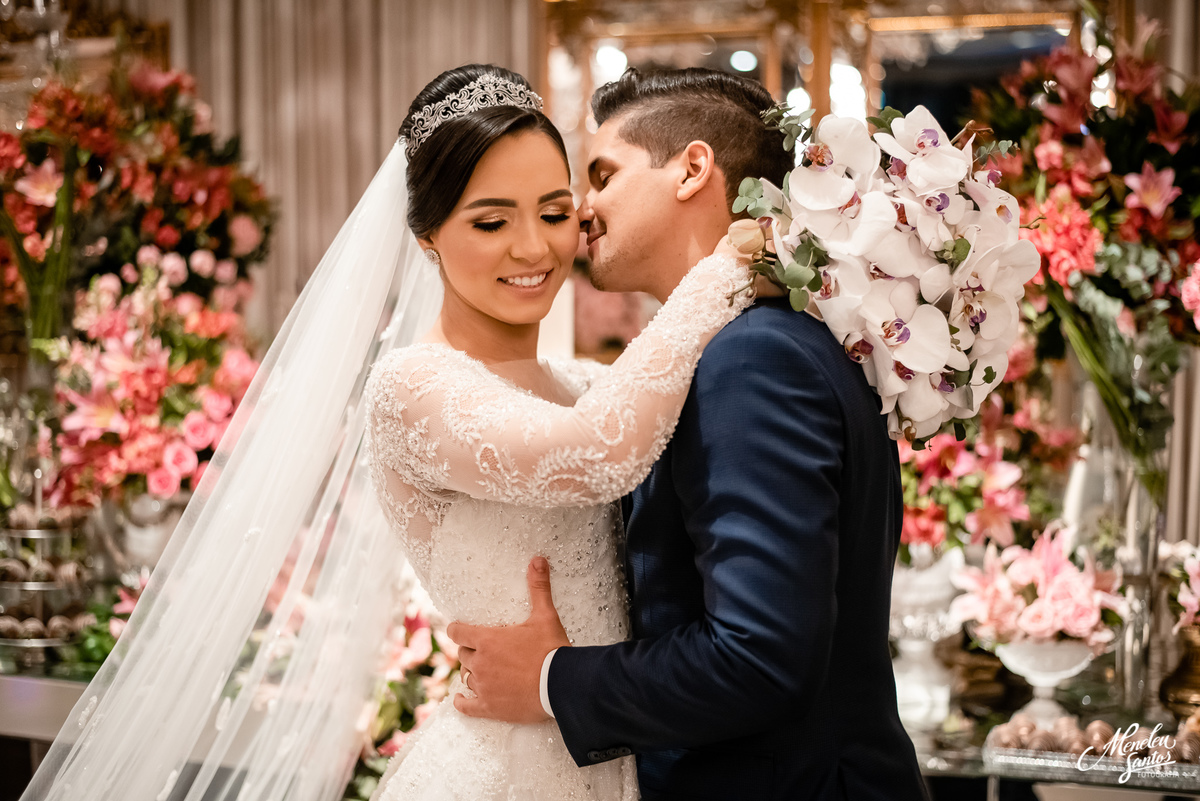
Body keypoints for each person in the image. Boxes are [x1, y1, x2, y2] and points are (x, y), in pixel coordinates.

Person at [446, 68, 933, 801]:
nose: (583, 208)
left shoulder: (750, 359)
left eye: (603, 174)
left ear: (692, 169)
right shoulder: (761, 342)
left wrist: (549, 678)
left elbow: (758, 658)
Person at [362, 64, 755, 800]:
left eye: (552, 211)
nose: (534, 248)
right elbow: (599, 454)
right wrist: (724, 267)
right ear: (426, 236)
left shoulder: (581, 384)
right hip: (499, 772)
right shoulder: (413, 388)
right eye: (490, 221)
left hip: (608, 746)